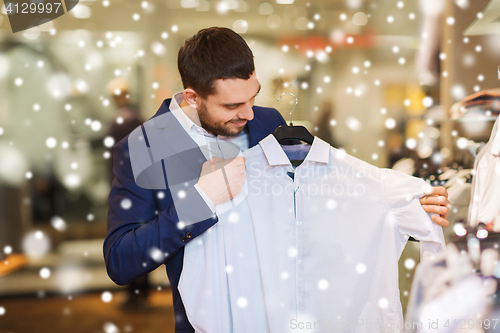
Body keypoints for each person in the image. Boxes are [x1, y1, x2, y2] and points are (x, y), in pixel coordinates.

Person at [104, 27, 450, 332]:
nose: (249, 113)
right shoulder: (143, 148)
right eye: (233, 105)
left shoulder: (268, 121)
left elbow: (315, 199)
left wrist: (397, 211)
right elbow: (121, 261)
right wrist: (199, 202)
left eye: (254, 95)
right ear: (193, 97)